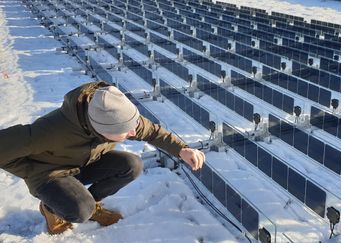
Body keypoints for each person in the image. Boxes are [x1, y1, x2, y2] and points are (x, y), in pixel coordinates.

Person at [0, 81, 205, 234]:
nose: (134, 133)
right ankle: (51, 208)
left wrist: (182, 149)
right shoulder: (52, 130)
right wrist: (32, 172)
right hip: (50, 173)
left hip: (82, 163)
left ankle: (92, 202)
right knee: (80, 211)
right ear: (103, 130)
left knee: (132, 165)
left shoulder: (118, 115)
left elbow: (151, 131)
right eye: (126, 132)